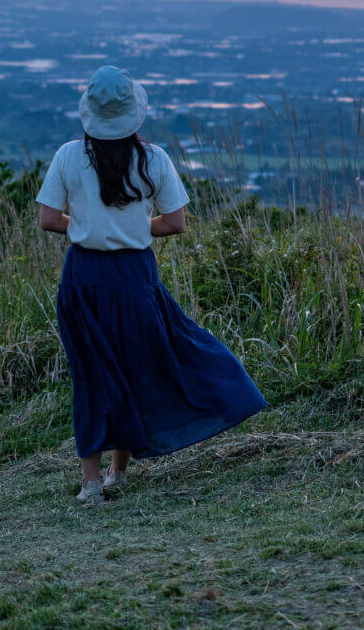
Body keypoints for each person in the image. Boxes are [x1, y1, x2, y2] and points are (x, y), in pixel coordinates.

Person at [37, 64, 267, 504]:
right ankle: (118, 475)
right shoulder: (154, 159)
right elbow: (177, 223)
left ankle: (89, 483)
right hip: (135, 276)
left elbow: (48, 219)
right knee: (136, 366)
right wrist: (137, 228)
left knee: (90, 373)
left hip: (83, 276)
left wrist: (87, 224)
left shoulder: (68, 155)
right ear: (132, 114)